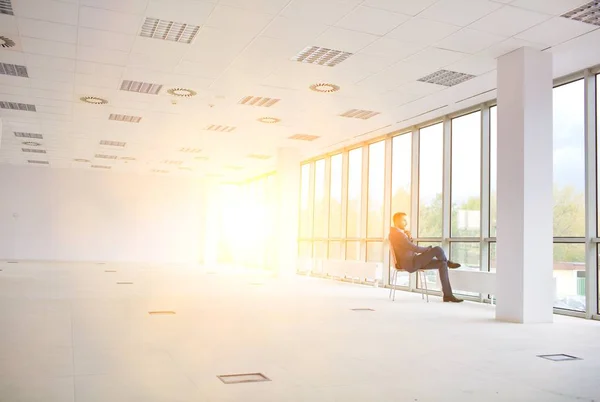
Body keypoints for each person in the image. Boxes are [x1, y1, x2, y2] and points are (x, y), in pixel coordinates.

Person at [389, 212, 464, 303]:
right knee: (437, 250)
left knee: (442, 264)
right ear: (397, 221)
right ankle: (448, 263)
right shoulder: (397, 234)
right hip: (411, 263)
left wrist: (409, 237)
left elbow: (407, 247)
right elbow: (414, 248)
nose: (406, 223)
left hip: (414, 260)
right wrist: (428, 249)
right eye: (403, 220)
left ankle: (448, 295)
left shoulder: (397, 233)